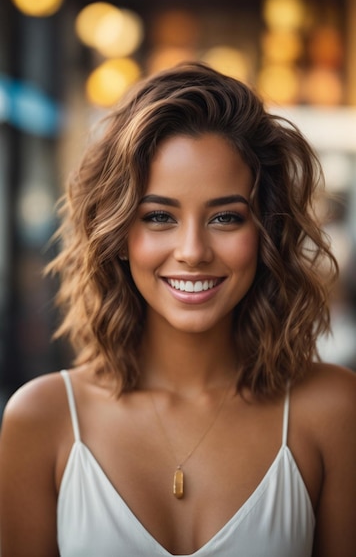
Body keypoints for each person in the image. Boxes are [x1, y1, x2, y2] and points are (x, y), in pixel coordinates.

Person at [0, 62, 355, 557]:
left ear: (265, 233)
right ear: (120, 234)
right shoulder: (42, 420)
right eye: (159, 216)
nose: (192, 250)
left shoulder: (334, 411)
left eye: (226, 217)